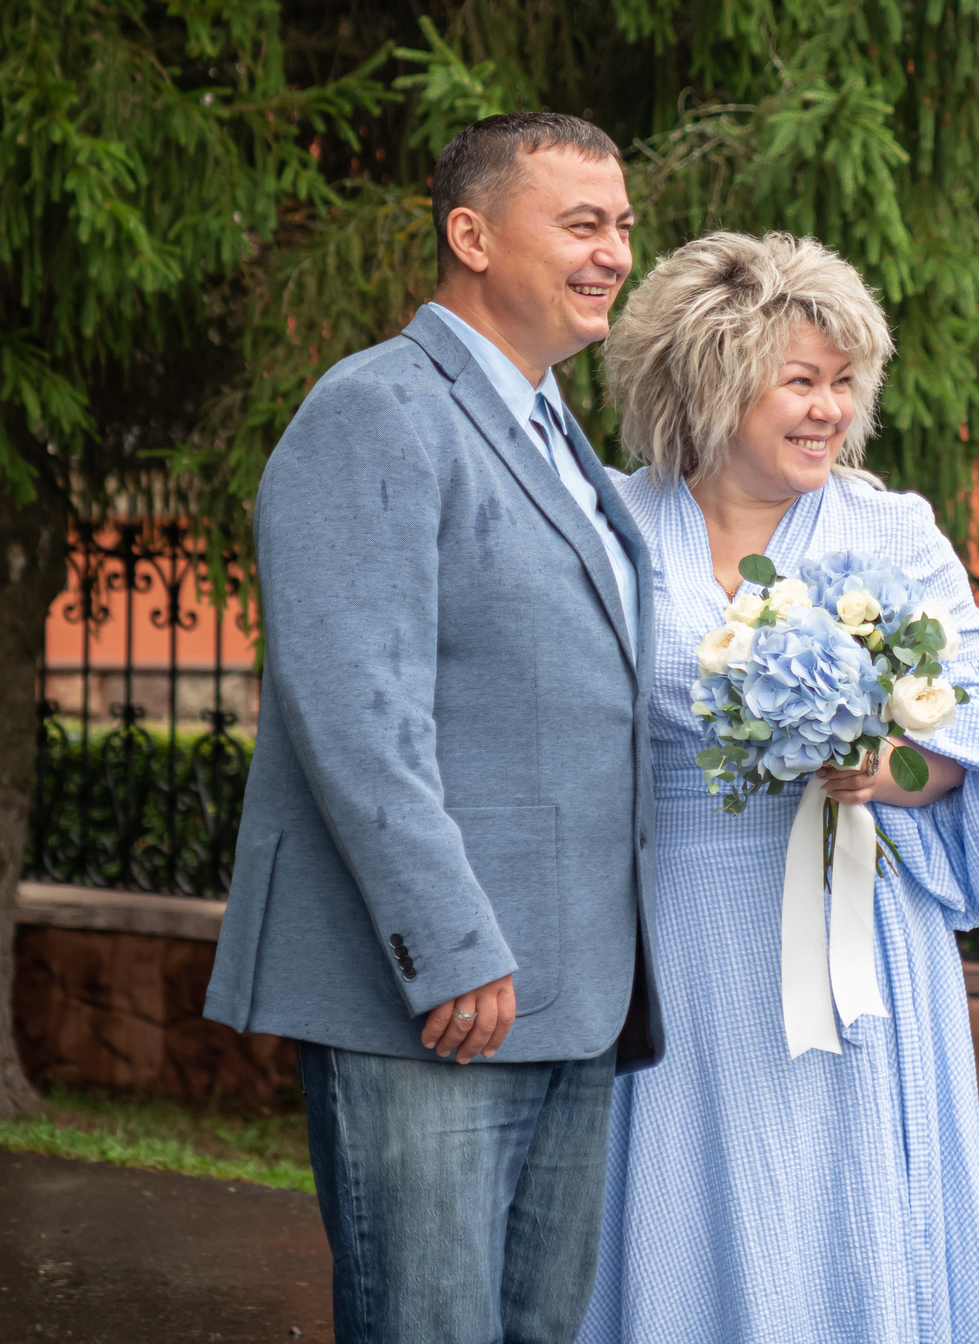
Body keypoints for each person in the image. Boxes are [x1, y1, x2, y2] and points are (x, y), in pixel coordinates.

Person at [204, 112, 664, 1344]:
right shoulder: (376, 411)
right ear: (469, 234)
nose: (614, 251)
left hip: (573, 1000)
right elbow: (357, 710)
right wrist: (453, 945)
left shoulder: (557, 429)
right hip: (444, 1000)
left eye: (621, 224)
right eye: (580, 223)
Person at [576, 232, 979, 1344]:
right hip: (672, 936)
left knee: (846, 1220)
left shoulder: (894, 531)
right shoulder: (607, 524)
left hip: (861, 948)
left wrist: (890, 771)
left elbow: (976, 757)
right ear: (708, 381)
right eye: (799, 381)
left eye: (844, 383)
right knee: (690, 1206)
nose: (829, 410)